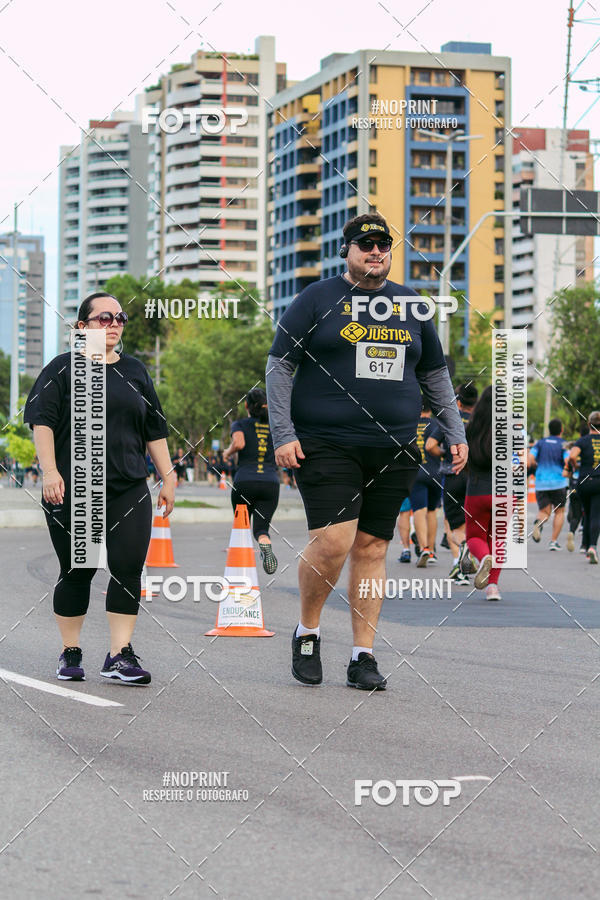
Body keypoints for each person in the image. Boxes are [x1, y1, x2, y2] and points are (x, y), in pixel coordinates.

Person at [266, 212, 468, 690]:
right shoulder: (317, 299)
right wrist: (282, 433)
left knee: (373, 548)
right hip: (326, 443)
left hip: (394, 446)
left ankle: (363, 655)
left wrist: (455, 430)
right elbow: (280, 366)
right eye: (366, 244)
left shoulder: (412, 305)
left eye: (383, 245)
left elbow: (435, 375)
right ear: (347, 251)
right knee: (333, 543)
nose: (376, 252)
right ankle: (308, 632)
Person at [24, 292, 175, 685]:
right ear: (82, 327)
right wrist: (50, 472)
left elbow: (154, 429)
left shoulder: (136, 371)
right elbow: (41, 421)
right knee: (80, 569)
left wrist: (169, 476)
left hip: (129, 486)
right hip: (76, 487)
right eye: (104, 318)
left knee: (128, 569)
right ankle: (70, 651)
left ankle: (119, 654)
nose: (114, 324)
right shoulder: (62, 368)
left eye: (119, 318)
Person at [222, 388, 280, 574]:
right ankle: (265, 544)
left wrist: (227, 452)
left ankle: (240, 570)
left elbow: (239, 443)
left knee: (242, 526)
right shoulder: (275, 425)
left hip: (245, 481)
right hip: (270, 482)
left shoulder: (240, 424)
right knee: (261, 529)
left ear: (246, 405)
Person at [427, 382, 478, 585]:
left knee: (452, 524)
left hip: (453, 474)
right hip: (475, 478)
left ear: (458, 402)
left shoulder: (450, 419)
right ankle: (467, 561)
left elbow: (430, 445)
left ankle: (459, 564)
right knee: (471, 522)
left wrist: (445, 454)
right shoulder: (480, 421)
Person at [463, 385, 503, 600]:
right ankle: (492, 588)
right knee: (498, 539)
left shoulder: (470, 428)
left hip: (477, 489)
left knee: (474, 537)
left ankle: (484, 557)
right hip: (504, 492)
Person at [408, 399, 442, 568]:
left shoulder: (409, 425)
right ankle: (432, 550)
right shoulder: (436, 424)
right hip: (435, 472)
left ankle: (424, 549)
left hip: (416, 472)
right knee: (432, 511)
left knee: (419, 511)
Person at [528, 419, 569, 549]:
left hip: (541, 483)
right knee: (559, 512)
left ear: (549, 430)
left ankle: (538, 522)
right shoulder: (563, 444)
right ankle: (553, 541)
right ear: (561, 430)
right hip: (558, 483)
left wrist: (536, 466)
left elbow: (530, 459)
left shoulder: (540, 443)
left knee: (544, 512)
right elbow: (567, 460)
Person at [567, 411, 600, 564]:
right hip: (598, 482)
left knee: (586, 513)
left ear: (589, 424)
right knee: (596, 515)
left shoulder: (583, 440)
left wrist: (576, 466)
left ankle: (585, 547)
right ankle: (592, 546)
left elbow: (572, 456)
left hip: (584, 481)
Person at [565, 422, 588, 552]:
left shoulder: (574, 450)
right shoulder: (591, 449)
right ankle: (585, 545)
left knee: (575, 515)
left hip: (574, 485)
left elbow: (566, 471)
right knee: (588, 513)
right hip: (587, 484)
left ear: (579, 434)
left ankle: (572, 531)